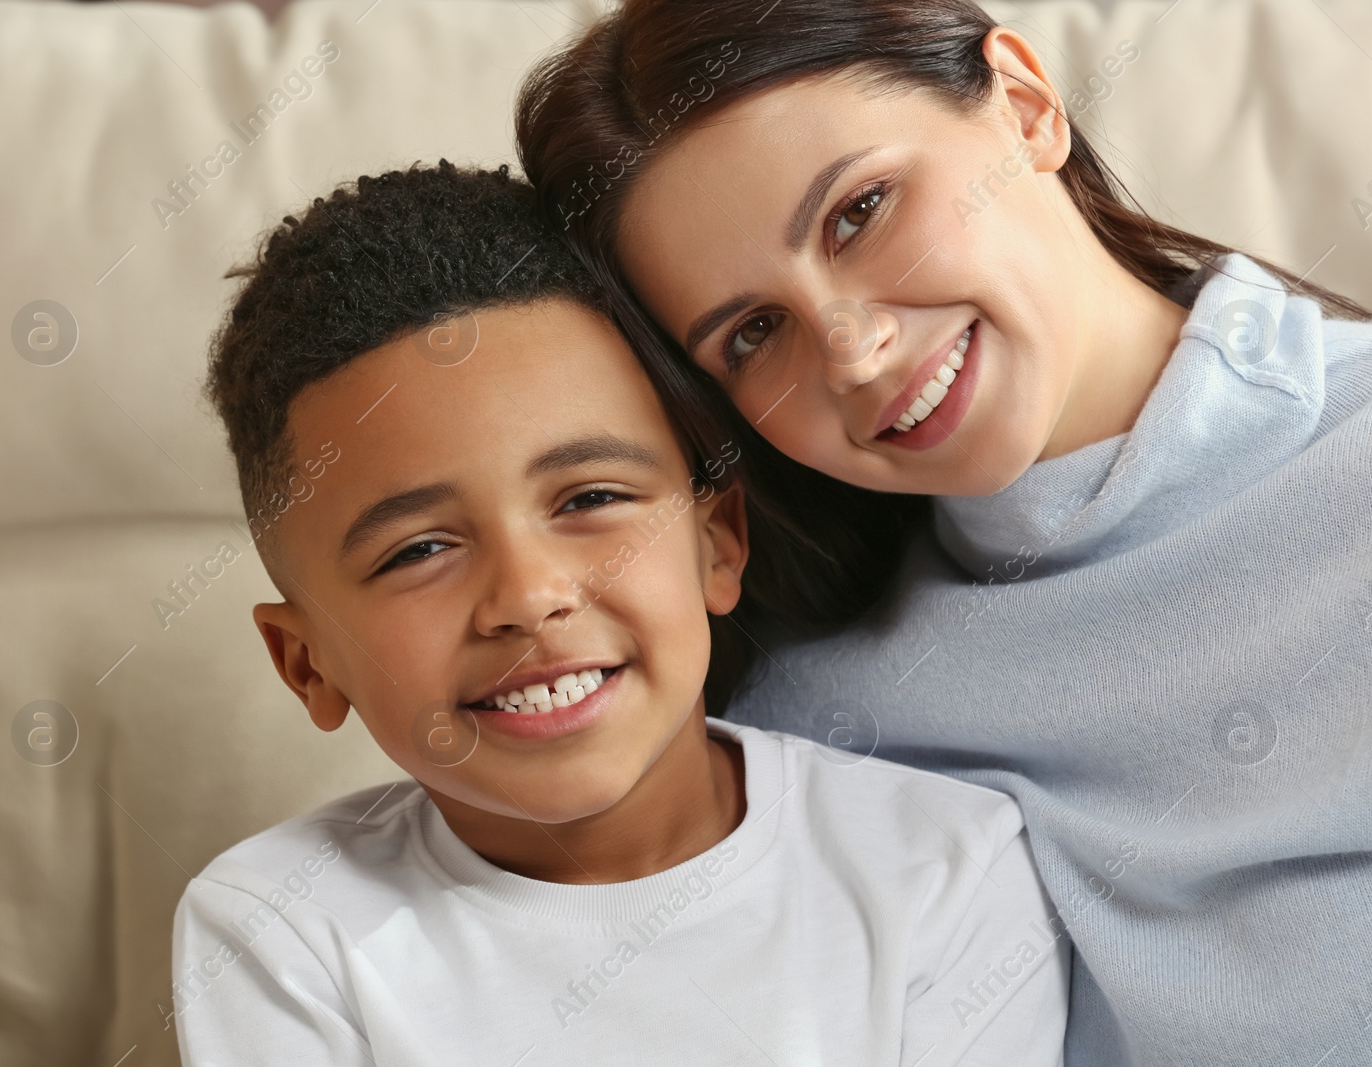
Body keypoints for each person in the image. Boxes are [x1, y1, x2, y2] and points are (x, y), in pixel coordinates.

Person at [514, 2, 1372, 1065]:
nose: (853, 352)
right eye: (753, 332)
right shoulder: (784, 692)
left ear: (1026, 103)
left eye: (859, 211)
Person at [171, 162, 1069, 1065]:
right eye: (418, 551)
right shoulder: (278, 927)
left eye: (589, 497)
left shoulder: (945, 868)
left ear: (716, 542)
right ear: (308, 664)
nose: (528, 597)